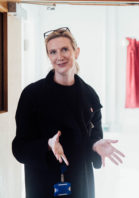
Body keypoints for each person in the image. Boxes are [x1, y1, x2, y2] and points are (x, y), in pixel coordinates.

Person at [12, 27, 125, 198]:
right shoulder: (32, 95)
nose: (60, 56)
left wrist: (96, 145)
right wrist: (47, 145)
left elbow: (94, 137)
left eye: (65, 49)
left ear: (76, 52)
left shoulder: (89, 95)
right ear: (48, 56)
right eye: (53, 52)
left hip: (80, 184)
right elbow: (19, 148)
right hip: (42, 184)